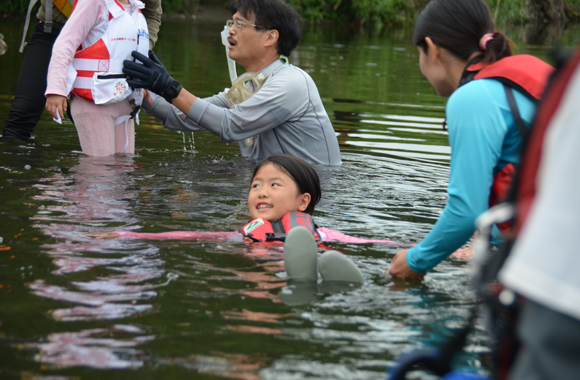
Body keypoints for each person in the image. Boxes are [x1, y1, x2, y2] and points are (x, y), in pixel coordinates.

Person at [389, 0, 554, 279]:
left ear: (432, 49)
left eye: (419, 53)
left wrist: (415, 261)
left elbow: (466, 211)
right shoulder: (523, 77)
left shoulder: (473, 98)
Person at [113, 155, 403, 282]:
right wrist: (127, 236)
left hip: (310, 257)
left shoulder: (323, 233)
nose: (262, 192)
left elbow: (371, 241)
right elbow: (190, 236)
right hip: (270, 271)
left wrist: (426, 248)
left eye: (275, 185)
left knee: (320, 258)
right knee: (263, 277)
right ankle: (304, 278)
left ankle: (321, 276)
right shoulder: (246, 232)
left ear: (303, 201)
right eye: (255, 185)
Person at [122, 0, 342, 166]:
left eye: (239, 24)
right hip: (271, 187)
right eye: (231, 23)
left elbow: (231, 126)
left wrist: (169, 87)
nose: (231, 30)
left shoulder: (292, 83)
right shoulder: (247, 87)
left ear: (270, 37)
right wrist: (146, 95)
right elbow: (185, 118)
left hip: (312, 196)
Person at [2, 0, 162, 142]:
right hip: (53, 32)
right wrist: (57, 88)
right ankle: (18, 167)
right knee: (23, 114)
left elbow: (152, 13)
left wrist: (137, 55)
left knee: (116, 146)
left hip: (112, 45)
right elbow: (64, 43)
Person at [44, 0, 152, 156]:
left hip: (125, 104)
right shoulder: (93, 3)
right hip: (93, 104)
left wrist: (142, 83)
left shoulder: (135, 7)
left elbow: (128, 52)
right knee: (99, 173)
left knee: (125, 171)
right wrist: (56, 89)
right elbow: (64, 44)